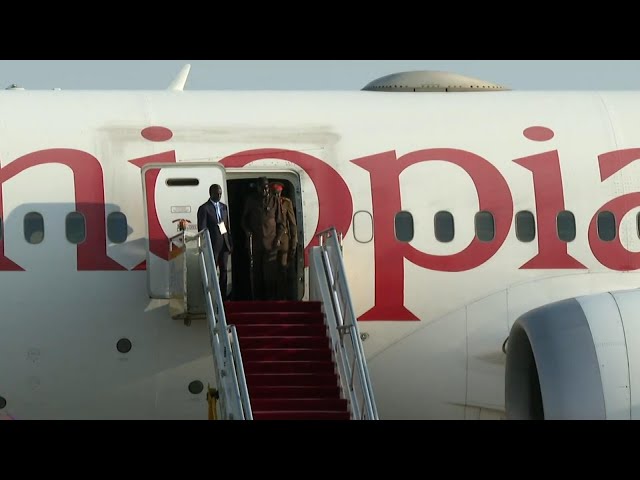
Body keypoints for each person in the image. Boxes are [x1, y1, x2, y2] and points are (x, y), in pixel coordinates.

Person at [241, 177, 280, 300]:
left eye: (267, 187)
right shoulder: (251, 200)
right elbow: (244, 220)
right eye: (262, 187)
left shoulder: (274, 201)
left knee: (270, 274)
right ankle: (257, 300)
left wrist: (278, 239)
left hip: (271, 242)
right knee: (256, 273)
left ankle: (271, 300)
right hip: (256, 242)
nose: (265, 189)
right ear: (257, 188)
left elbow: (281, 223)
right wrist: (247, 231)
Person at [197, 184, 233, 300]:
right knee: (212, 271)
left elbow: (226, 226)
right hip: (212, 244)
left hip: (224, 243)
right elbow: (202, 228)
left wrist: (230, 242)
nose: (219, 195)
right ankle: (211, 295)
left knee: (224, 270)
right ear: (211, 193)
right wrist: (204, 244)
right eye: (217, 193)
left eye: (220, 193)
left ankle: (222, 296)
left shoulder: (224, 207)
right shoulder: (204, 208)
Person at [271, 181, 298, 300]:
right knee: (270, 270)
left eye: (278, 192)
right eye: (274, 193)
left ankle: (282, 296)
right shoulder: (268, 203)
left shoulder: (286, 203)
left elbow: (292, 223)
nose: (277, 195)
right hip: (269, 240)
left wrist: (294, 242)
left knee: (282, 269)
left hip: (284, 241)